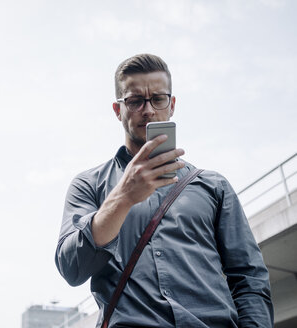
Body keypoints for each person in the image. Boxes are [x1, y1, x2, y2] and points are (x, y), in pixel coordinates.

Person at [55, 54, 273, 327]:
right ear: (117, 109)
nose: (147, 110)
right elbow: (72, 268)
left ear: (171, 105)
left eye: (157, 99)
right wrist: (122, 198)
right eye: (135, 101)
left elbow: (249, 278)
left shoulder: (213, 186)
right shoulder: (88, 185)